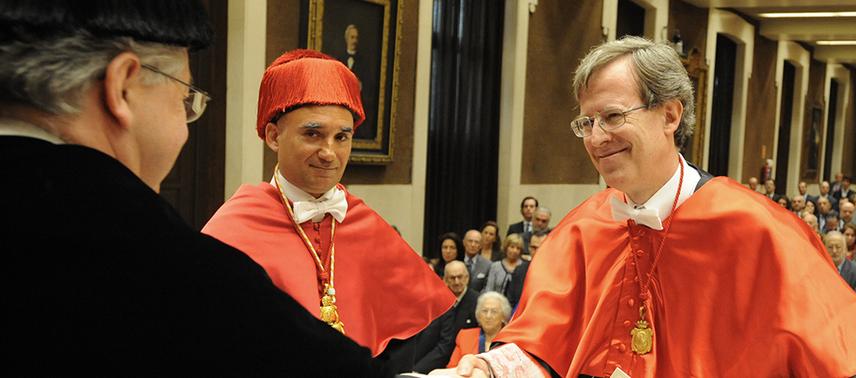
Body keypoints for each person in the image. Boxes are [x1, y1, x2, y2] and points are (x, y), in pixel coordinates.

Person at [436, 36, 856, 378]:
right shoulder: (582, 228)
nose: (596, 139)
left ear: (670, 115)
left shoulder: (759, 230)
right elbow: (546, 346)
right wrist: (490, 369)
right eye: (587, 122)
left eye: (614, 116)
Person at [0, 1, 393, 375]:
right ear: (122, 87)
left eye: (342, 137)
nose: (329, 153)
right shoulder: (166, 268)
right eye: (185, 98)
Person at [200, 49, 454, 369]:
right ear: (273, 136)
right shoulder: (231, 231)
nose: (329, 153)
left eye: (341, 137)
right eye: (313, 134)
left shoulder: (367, 224)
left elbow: (413, 339)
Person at [447, 292, 513, 368]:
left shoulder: (511, 342)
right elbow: (452, 367)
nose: (488, 316)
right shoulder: (464, 336)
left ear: (503, 317)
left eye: (494, 311)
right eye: (484, 311)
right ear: (478, 315)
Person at [484, 234, 530, 309]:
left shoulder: (524, 268)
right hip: (494, 306)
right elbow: (489, 289)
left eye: (518, 248)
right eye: (512, 247)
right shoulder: (495, 266)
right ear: (506, 247)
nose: (514, 251)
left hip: (515, 308)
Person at [824, 231, 856, 297]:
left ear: (845, 249)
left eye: (838, 247)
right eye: (830, 247)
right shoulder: (818, 269)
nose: (834, 251)